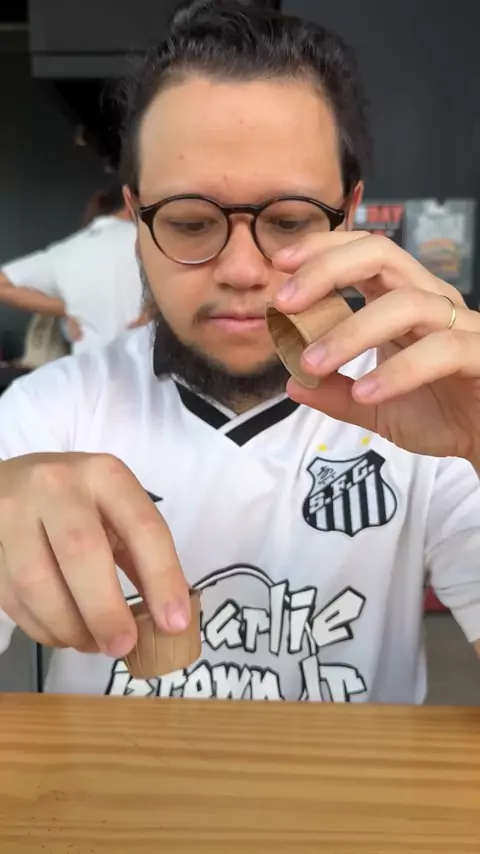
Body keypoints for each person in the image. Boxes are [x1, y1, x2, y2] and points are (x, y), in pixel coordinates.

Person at [0, 0, 480, 703]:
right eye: (192, 223)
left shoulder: (431, 406)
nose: (243, 270)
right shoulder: (46, 416)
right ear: (136, 220)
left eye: (289, 220)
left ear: (349, 215)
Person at [0, 183, 150, 355]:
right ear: (129, 202)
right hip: (150, 362)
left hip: (87, 367)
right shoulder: (152, 242)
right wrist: (154, 311)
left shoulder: (65, 251)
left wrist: (66, 308)